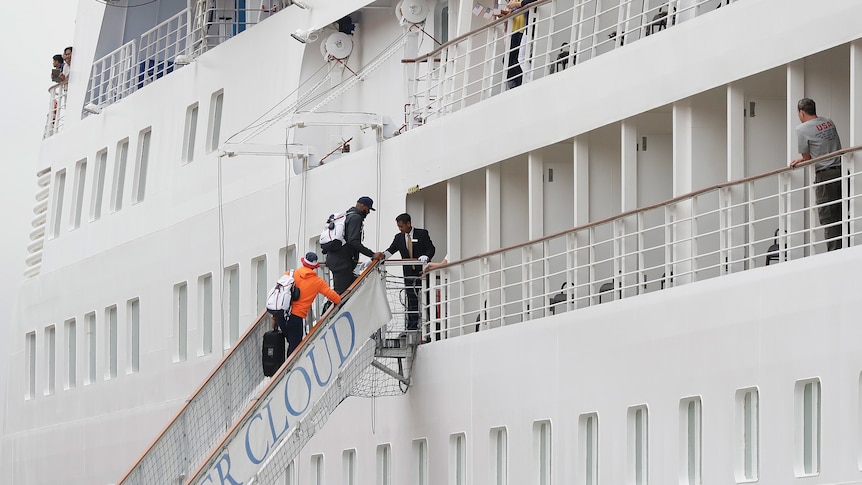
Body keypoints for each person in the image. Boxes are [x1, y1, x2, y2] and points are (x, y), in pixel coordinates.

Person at [791, 98, 844, 251]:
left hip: (825, 175)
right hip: (841, 170)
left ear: (801, 112)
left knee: (828, 216)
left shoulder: (801, 129)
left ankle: (834, 252)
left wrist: (802, 159)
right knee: (841, 210)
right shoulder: (828, 122)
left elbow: (808, 158)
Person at [278, 252, 341, 356]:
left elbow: (279, 294)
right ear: (314, 267)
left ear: (303, 263)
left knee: (290, 344)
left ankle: (283, 369)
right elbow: (336, 299)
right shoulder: (318, 282)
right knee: (296, 348)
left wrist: (274, 318)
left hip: (282, 315)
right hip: (297, 317)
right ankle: (290, 370)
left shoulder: (289, 274)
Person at [384, 213, 435, 330]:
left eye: (401, 226)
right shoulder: (398, 238)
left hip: (423, 273)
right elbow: (390, 251)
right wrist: (378, 258)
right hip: (408, 274)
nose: (400, 229)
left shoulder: (422, 234)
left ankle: (432, 326)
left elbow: (431, 248)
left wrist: (426, 256)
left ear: (409, 223)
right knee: (412, 300)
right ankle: (412, 327)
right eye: (398, 227)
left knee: (427, 299)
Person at [324, 196, 384, 294]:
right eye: (368, 209)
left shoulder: (347, 215)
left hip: (337, 261)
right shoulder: (356, 218)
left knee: (353, 290)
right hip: (342, 264)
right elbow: (353, 241)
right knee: (342, 296)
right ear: (362, 206)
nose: (368, 212)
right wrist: (372, 254)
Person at [498, 0, 538, 89]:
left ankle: (520, 83)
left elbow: (524, 5)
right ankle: (516, 84)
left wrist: (515, 6)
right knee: (511, 59)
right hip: (515, 31)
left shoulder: (517, 2)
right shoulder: (512, 2)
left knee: (516, 59)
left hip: (521, 30)